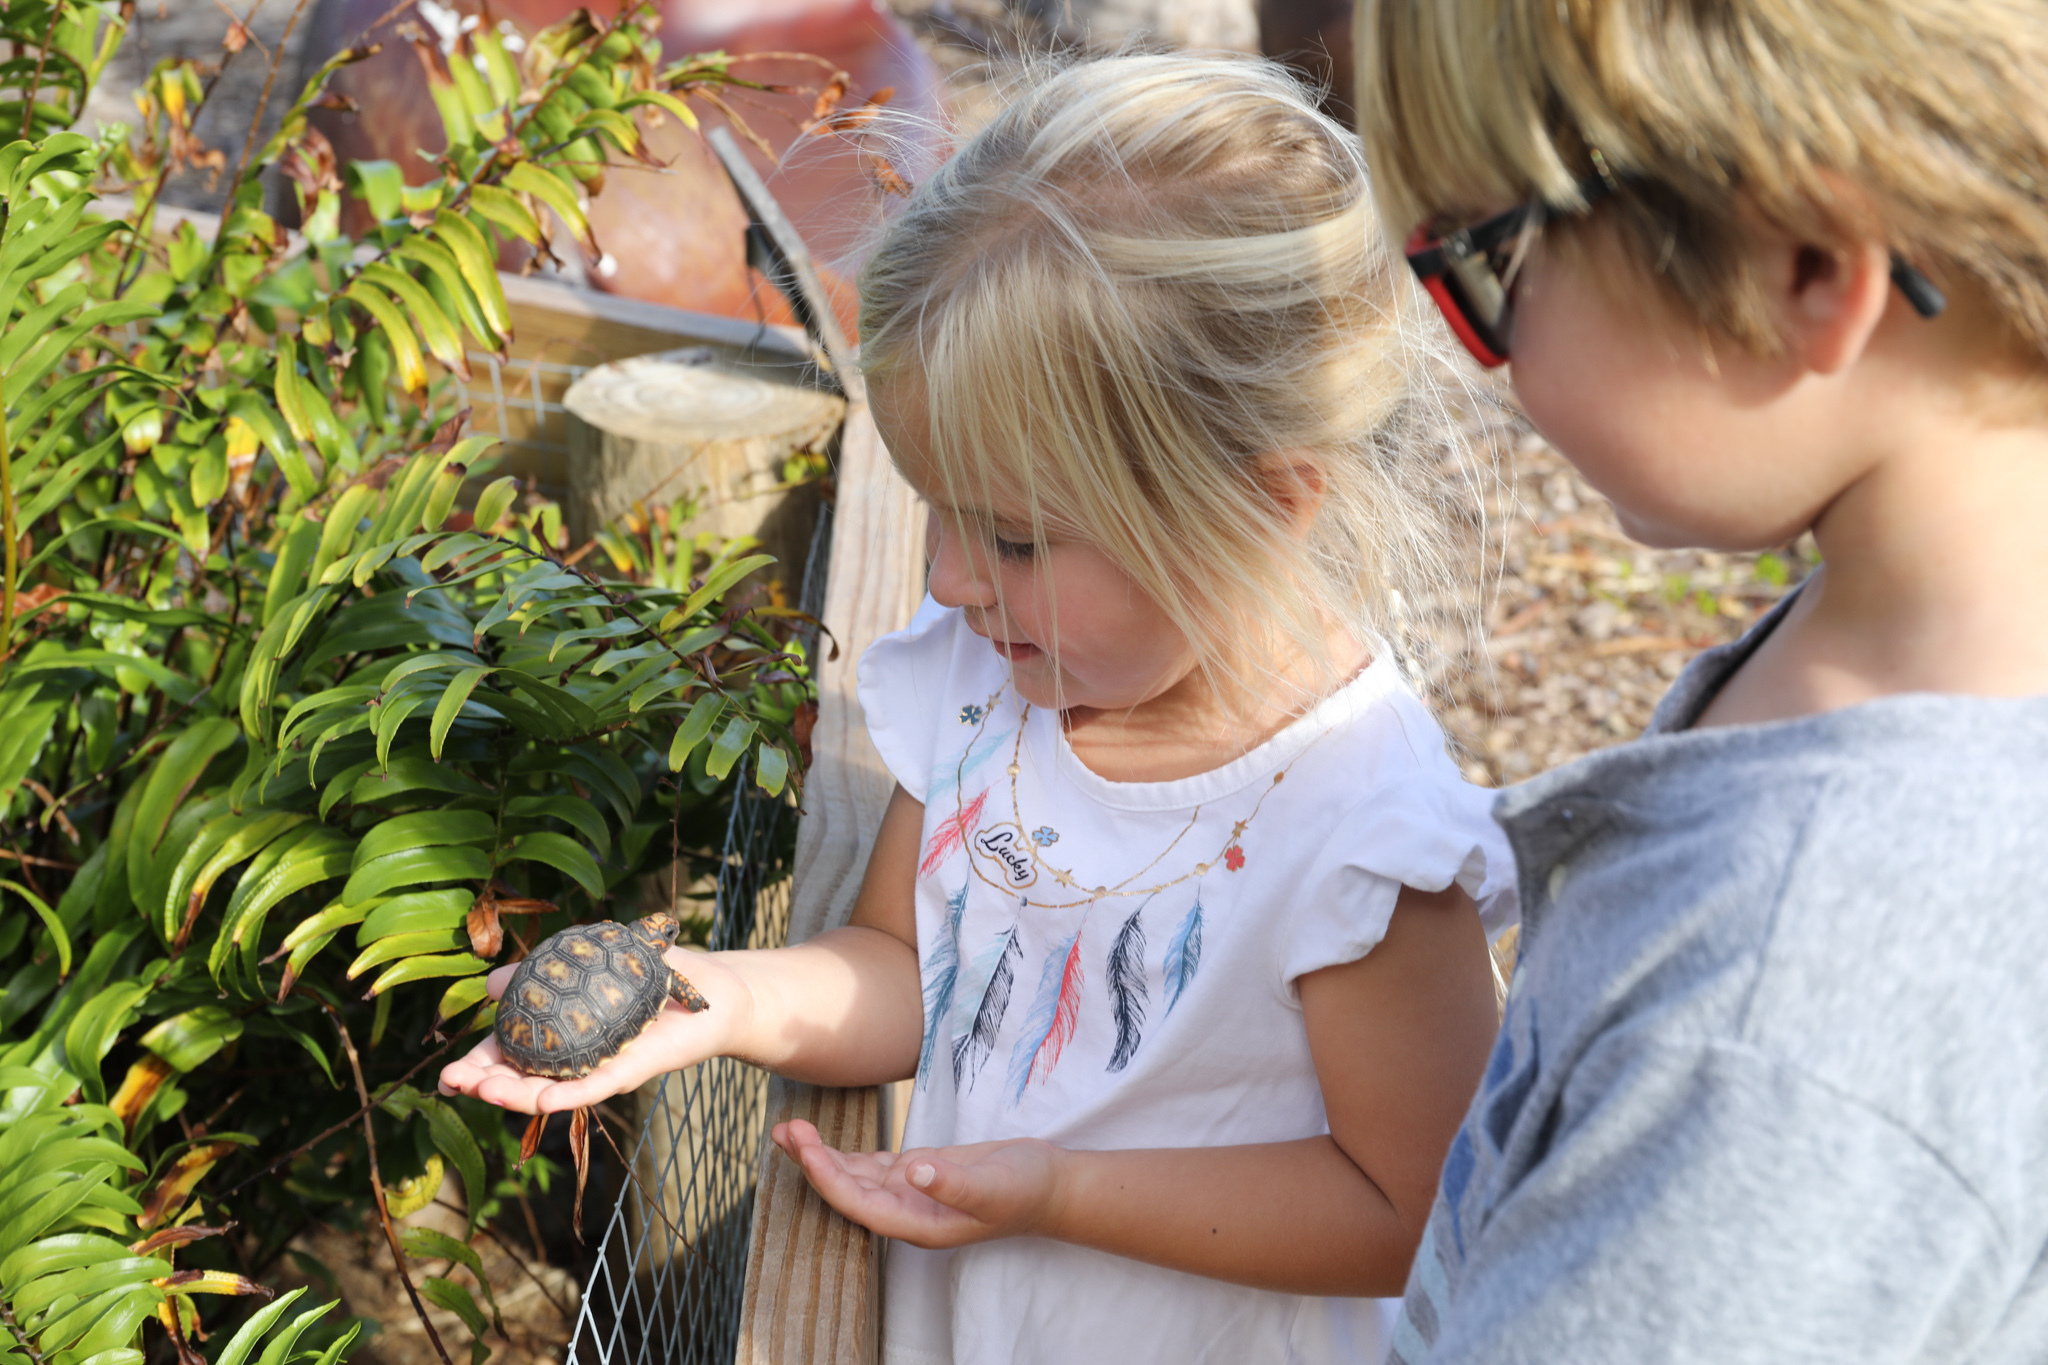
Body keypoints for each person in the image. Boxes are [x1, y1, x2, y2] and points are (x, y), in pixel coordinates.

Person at [444, 53, 1518, 1365]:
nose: (948, 580)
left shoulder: (1361, 826)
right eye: (938, 514)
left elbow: (1403, 1207)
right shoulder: (992, 681)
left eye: (1009, 537)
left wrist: (1057, 1189)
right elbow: (908, 969)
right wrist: (713, 997)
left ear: (1259, 506)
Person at [1351, 1, 2048, 1360]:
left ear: (1806, 264)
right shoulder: (1890, 652)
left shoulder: (1778, 1019)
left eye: (1480, 268)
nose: (1471, 355)